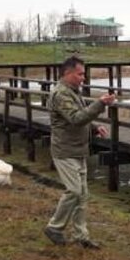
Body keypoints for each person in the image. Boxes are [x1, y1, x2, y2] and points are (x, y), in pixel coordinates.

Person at [43, 57, 115, 249]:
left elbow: (79, 116)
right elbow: (75, 118)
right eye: (80, 73)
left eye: (84, 74)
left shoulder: (73, 92)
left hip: (78, 150)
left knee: (82, 195)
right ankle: (54, 227)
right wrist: (100, 104)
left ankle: (81, 235)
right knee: (74, 191)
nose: (83, 78)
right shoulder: (60, 94)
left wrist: (94, 127)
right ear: (67, 73)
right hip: (65, 151)